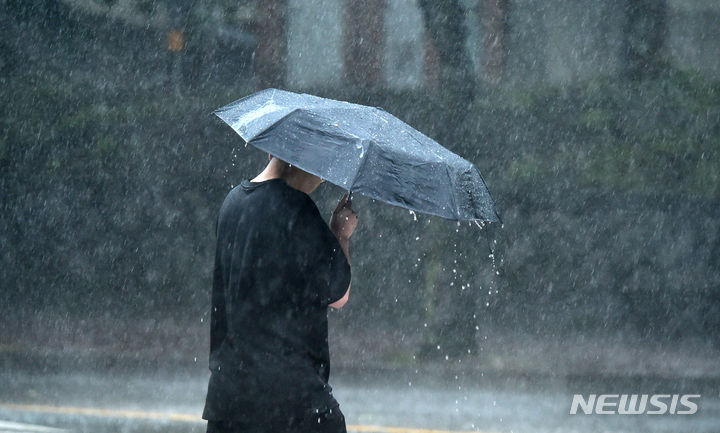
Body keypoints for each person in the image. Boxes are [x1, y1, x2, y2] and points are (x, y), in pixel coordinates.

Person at [202, 155, 358, 433]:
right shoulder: (297, 209)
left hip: (229, 397)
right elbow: (339, 294)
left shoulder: (233, 203)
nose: (321, 179)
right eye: (320, 170)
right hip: (291, 398)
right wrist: (341, 234)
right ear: (299, 158)